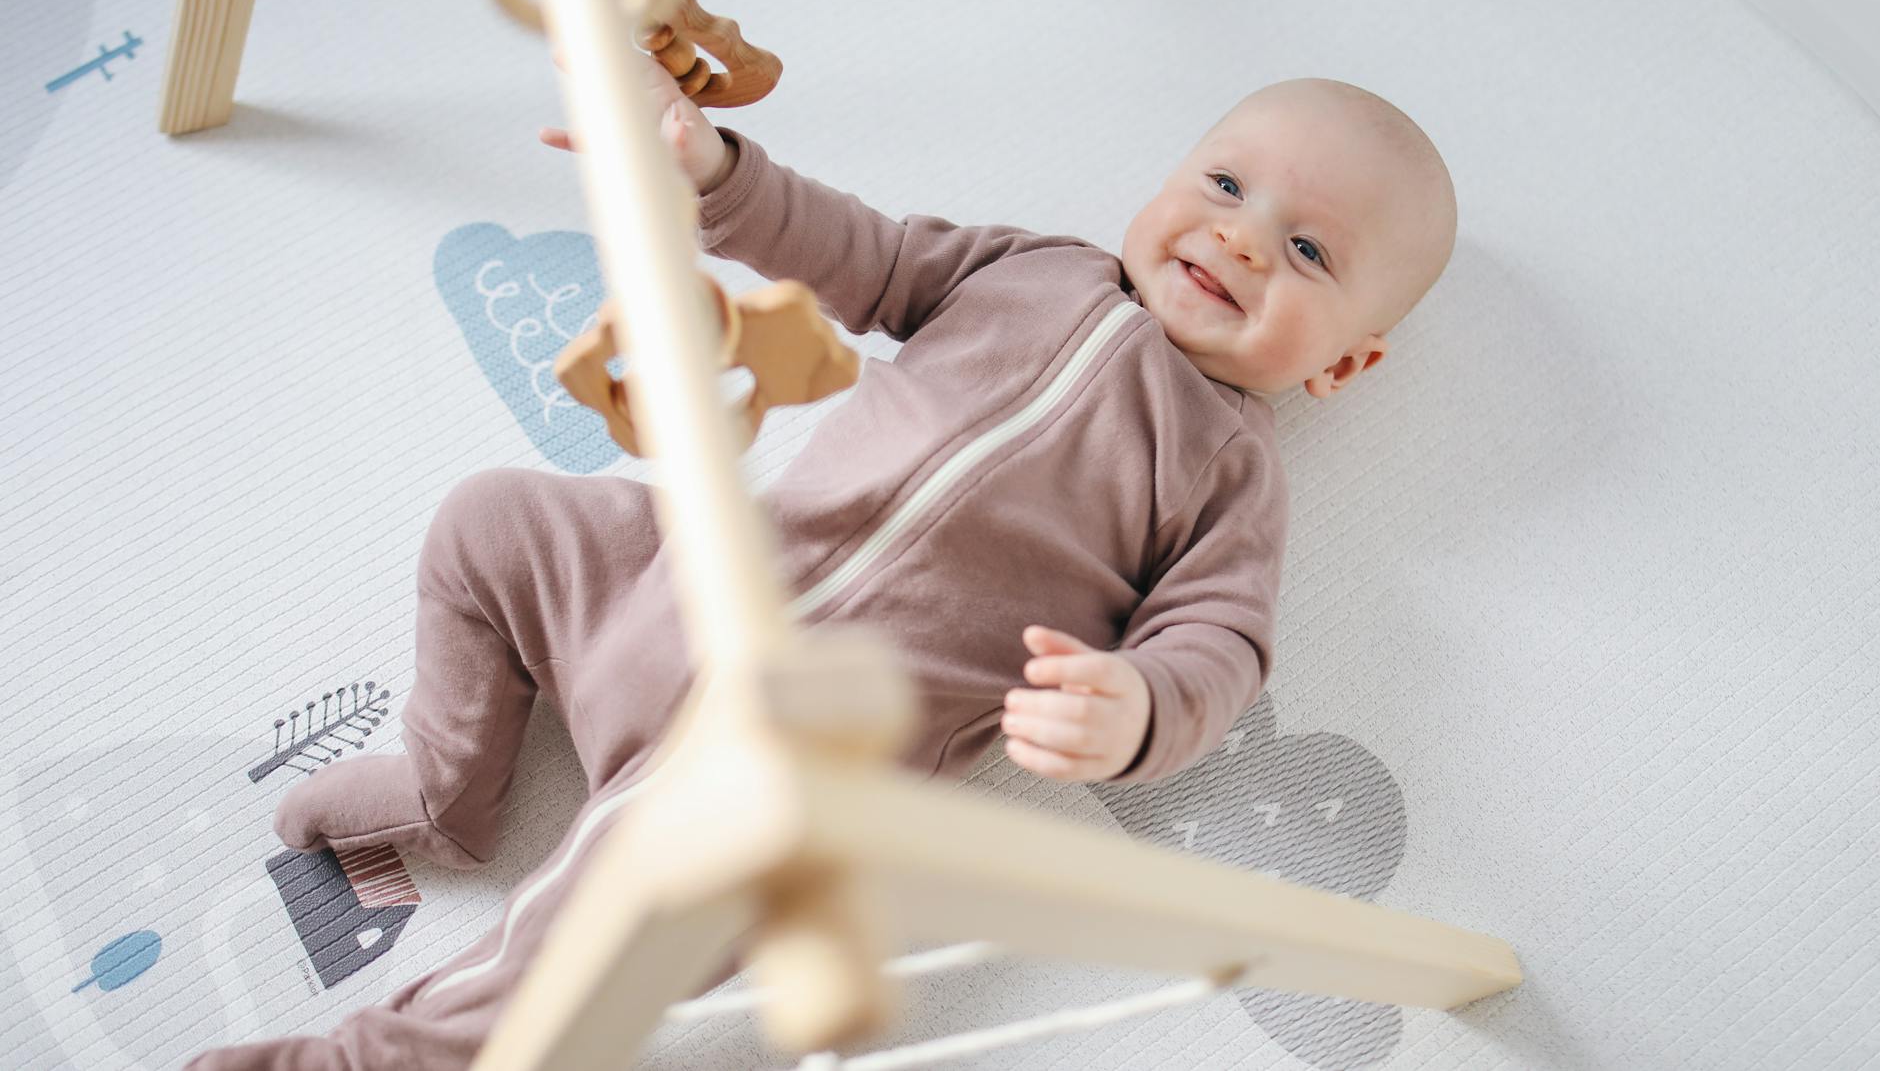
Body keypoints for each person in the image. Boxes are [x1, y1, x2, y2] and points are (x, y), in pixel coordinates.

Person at [186, 64, 1456, 1069]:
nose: (1239, 239)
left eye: (1305, 253)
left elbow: (1219, 644)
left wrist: (1132, 711)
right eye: (1226, 184)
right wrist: (715, 168)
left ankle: (376, 1058)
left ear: (1343, 362)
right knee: (491, 522)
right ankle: (445, 783)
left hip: (798, 748)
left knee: (592, 939)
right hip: (674, 584)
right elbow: (869, 256)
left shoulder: (1226, 470)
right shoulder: (1034, 267)